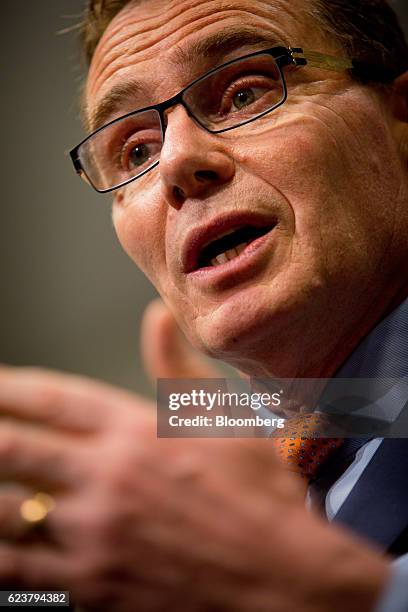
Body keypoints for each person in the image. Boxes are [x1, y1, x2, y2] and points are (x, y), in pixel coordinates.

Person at [0, 0, 407, 610]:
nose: (177, 163)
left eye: (245, 93)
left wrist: (321, 591)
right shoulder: (186, 451)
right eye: (136, 151)